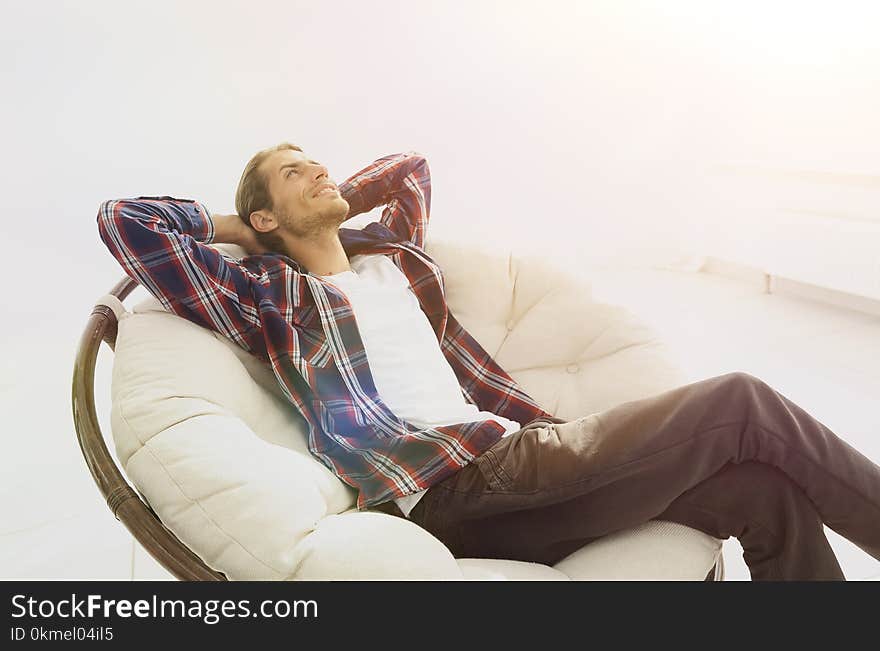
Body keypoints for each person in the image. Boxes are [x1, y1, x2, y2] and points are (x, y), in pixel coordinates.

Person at [97, 142, 880, 581]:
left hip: (510, 464)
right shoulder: (267, 291)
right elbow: (125, 223)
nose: (319, 171)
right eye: (294, 172)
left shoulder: (396, 257)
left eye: (317, 160)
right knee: (739, 401)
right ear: (264, 212)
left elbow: (410, 169)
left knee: (761, 490)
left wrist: (317, 200)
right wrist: (248, 227)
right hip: (452, 484)